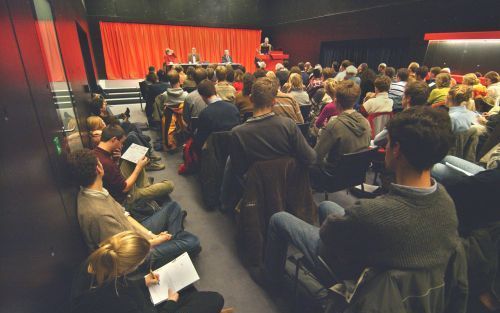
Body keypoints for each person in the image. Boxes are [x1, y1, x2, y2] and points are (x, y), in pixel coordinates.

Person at [255, 106, 459, 290]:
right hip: (390, 265)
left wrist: (343, 223)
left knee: (279, 219)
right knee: (326, 205)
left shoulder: (373, 213)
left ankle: (270, 277)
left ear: (396, 149)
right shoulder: (446, 202)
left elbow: (328, 234)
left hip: (354, 271)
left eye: (387, 143)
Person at [67, 149, 200, 267]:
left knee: (173, 207)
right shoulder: (98, 214)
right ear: (99, 169)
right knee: (193, 242)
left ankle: (173, 243)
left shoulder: (95, 191)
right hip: (134, 258)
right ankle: (174, 244)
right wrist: (153, 243)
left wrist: (151, 236)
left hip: (133, 235)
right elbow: (125, 253)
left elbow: (125, 215)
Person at [221, 77, 316, 211]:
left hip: (256, 190)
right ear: (274, 101)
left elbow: (239, 170)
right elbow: (310, 158)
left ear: (251, 99)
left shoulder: (237, 133)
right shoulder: (289, 125)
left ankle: (225, 204)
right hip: (288, 188)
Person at [70, 231, 223, 313]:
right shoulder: (125, 299)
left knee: (191, 294)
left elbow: (115, 287)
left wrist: (143, 281)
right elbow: (120, 294)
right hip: (130, 306)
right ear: (126, 269)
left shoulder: (94, 261)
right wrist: (171, 303)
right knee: (214, 299)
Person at [93, 124, 174, 206]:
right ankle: (146, 191)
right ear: (114, 139)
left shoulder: (96, 152)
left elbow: (112, 175)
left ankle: (146, 189)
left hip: (116, 186)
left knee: (135, 157)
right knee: (169, 185)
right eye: (121, 143)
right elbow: (125, 188)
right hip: (126, 197)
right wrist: (138, 167)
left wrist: (116, 161)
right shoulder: (107, 163)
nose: (122, 145)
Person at [311, 80, 371, 185]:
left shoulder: (334, 125)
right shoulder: (366, 122)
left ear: (336, 101)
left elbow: (316, 158)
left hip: (332, 176)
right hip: (357, 174)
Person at [374, 80, 429, 146]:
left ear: (408, 98)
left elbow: (377, 140)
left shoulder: (398, 120)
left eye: (403, 95)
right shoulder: (431, 118)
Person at [194, 79, 240, 152]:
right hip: (234, 151)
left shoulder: (205, 114)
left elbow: (200, 141)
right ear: (215, 91)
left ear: (202, 96)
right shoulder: (233, 108)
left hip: (213, 155)